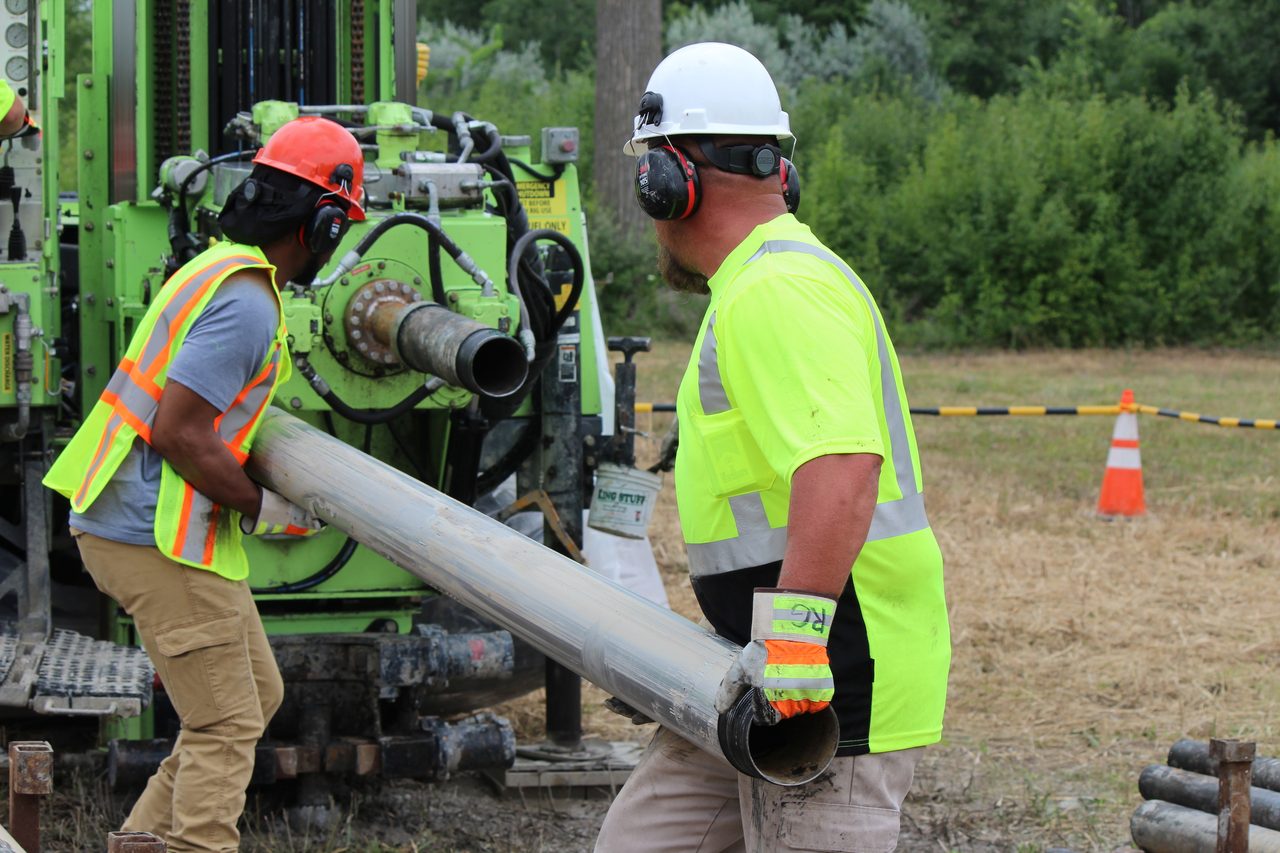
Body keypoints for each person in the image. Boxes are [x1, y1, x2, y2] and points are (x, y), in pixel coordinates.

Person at [595, 43, 951, 852]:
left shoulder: (777, 289)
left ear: (669, 180)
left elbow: (842, 469)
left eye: (647, 173)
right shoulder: (758, 284)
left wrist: (792, 646)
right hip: (751, 673)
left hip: (823, 685)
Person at [43, 116, 365, 852]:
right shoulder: (247, 301)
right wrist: (263, 507)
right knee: (224, 721)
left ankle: (141, 843)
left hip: (128, 522)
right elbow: (181, 430)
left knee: (255, 696)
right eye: (339, 225)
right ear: (319, 224)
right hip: (148, 535)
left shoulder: (216, 266)